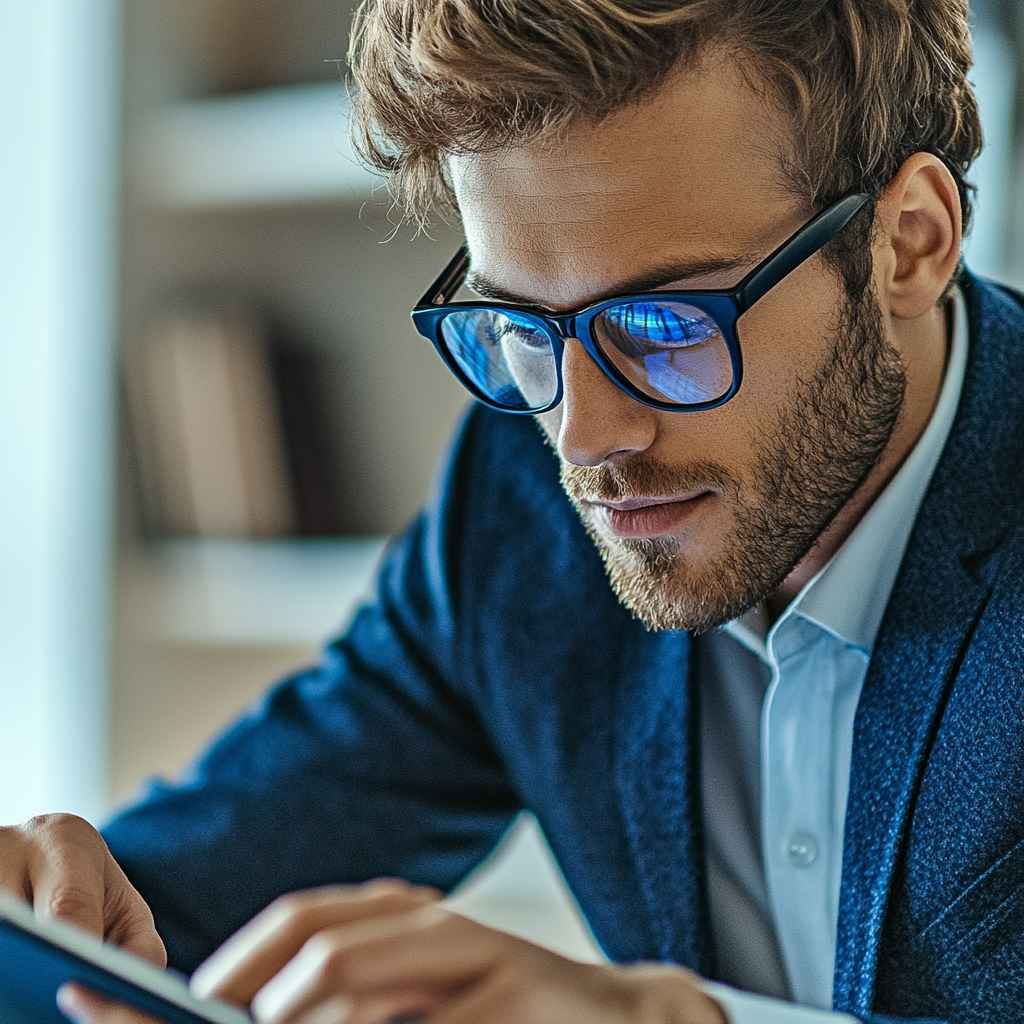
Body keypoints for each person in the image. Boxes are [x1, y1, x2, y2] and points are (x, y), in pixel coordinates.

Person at [3, 1, 1021, 1021]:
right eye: (518, 326)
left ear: (909, 244)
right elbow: (167, 911)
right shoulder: (517, 501)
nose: (584, 436)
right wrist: (48, 911)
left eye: (663, 323)